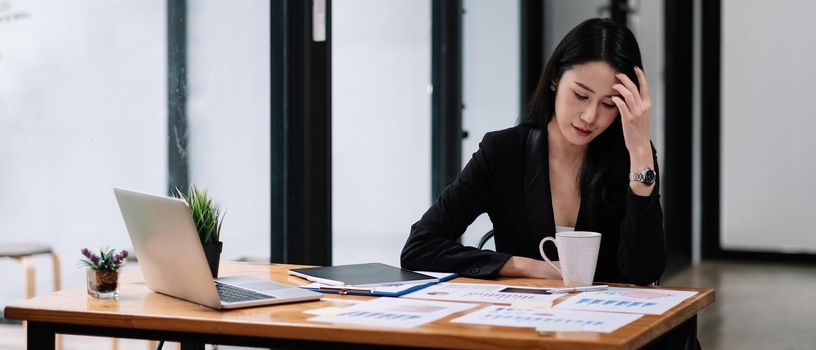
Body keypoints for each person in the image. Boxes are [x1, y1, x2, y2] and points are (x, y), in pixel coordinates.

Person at [401, 18, 700, 349]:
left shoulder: (632, 159)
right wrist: (526, 267)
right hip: (527, 332)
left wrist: (641, 151)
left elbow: (644, 273)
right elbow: (420, 247)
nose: (590, 117)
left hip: (608, 334)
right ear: (556, 78)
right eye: (581, 95)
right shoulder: (503, 152)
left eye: (608, 104)